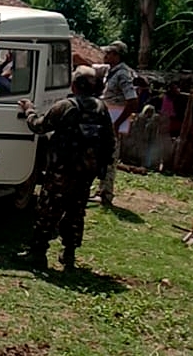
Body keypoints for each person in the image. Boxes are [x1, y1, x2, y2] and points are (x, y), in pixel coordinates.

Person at [17, 66, 116, 270]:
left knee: (48, 210)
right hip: (86, 172)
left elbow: (39, 126)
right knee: (76, 211)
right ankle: (69, 253)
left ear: (74, 85)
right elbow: (109, 141)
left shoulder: (65, 106)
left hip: (61, 171)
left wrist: (29, 110)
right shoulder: (101, 108)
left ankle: (38, 253)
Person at [93, 40, 138, 206]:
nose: (105, 55)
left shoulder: (123, 74)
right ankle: (100, 189)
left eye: (109, 53)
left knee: (110, 156)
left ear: (117, 55)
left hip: (114, 119)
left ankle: (106, 194)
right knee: (101, 155)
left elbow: (132, 101)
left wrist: (118, 123)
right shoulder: (110, 71)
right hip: (106, 117)